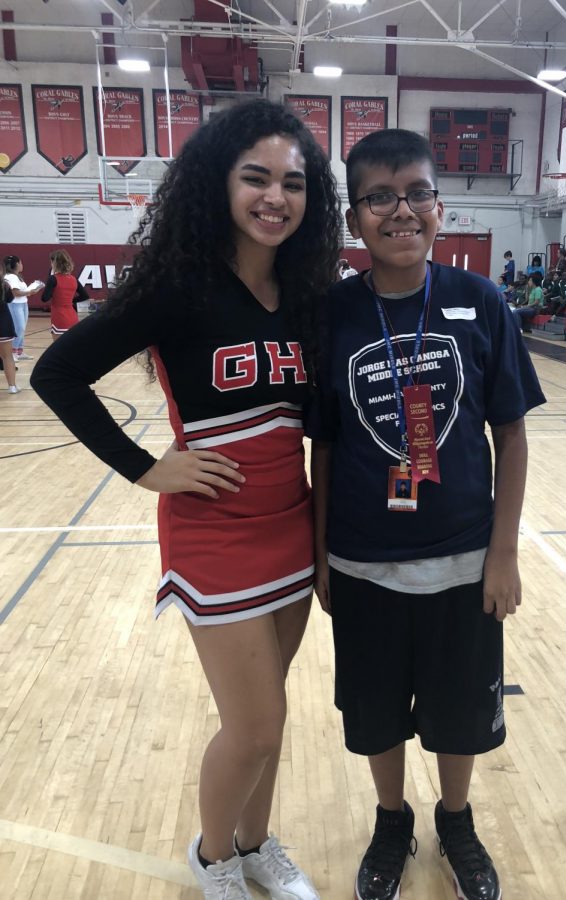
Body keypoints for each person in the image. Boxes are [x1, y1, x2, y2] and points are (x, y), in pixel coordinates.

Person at [30, 99, 342, 900]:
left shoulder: (308, 292)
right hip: (215, 534)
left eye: (294, 183)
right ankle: (214, 858)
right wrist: (143, 467)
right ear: (217, 182)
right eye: (256, 178)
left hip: (291, 526)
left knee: (267, 727)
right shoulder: (177, 286)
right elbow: (55, 373)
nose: (276, 197)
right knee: (256, 725)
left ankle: (257, 843)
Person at [309, 128, 545, 900]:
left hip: (464, 557)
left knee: (459, 711)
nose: (399, 209)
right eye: (378, 195)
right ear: (354, 219)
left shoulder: (480, 302)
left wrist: (502, 555)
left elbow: (509, 435)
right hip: (361, 558)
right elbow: (324, 446)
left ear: (439, 207)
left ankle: (454, 818)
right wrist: (319, 556)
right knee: (375, 712)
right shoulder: (332, 314)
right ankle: (389, 819)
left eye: (414, 191)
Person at [41, 249, 90, 340]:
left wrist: (49, 286)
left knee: (58, 350)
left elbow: (44, 298)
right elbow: (85, 296)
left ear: (54, 263)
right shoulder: (74, 279)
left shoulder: (53, 279)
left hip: (59, 317)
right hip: (73, 317)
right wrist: (70, 301)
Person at [3, 254, 43, 361]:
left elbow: (20, 292)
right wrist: (29, 292)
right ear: (16, 264)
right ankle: (13, 351)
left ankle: (19, 351)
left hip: (23, 304)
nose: (22, 265)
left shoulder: (17, 277)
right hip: (15, 305)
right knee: (19, 328)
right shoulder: (10, 277)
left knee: (22, 328)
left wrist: (29, 291)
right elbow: (15, 292)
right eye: (20, 262)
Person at [0, 258, 19, 393]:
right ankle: (12, 386)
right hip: (3, 324)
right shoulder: (4, 285)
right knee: (7, 356)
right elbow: (10, 299)